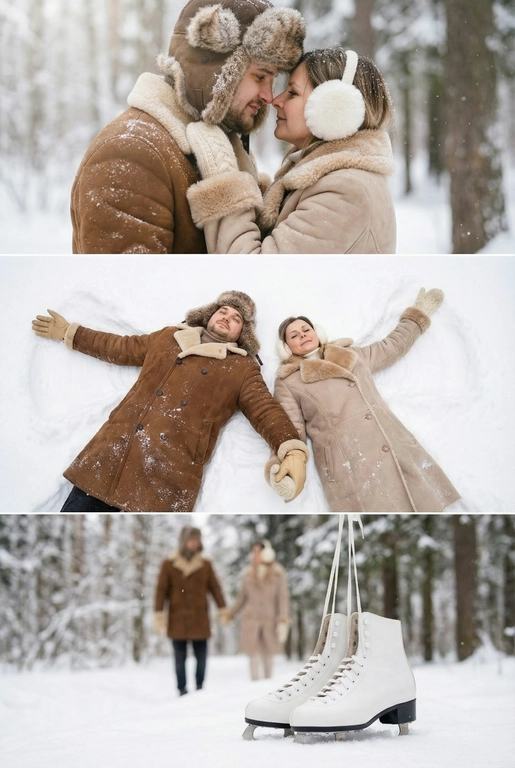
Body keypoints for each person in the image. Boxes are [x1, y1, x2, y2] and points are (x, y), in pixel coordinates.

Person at [31, 290, 308, 512]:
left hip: (166, 475)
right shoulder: (168, 338)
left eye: (236, 318)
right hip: (113, 454)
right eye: (222, 310)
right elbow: (118, 346)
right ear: (209, 315)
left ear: (242, 332)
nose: (226, 317)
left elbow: (266, 410)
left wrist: (291, 450)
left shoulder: (241, 368)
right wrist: (71, 333)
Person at [70, 0, 305, 253]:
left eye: (273, 79)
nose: (269, 96)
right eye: (260, 76)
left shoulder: (215, 149)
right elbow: (126, 289)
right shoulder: (132, 153)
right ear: (215, 71)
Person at [186, 47, 396, 253]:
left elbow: (256, 275)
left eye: (293, 92)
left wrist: (224, 176)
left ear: (333, 108)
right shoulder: (334, 179)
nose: (276, 101)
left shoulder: (346, 191)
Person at [267, 288, 461, 512]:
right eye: (293, 335)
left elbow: (391, 346)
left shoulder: (350, 355)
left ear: (316, 332)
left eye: (305, 329)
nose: (302, 335)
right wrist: (284, 468)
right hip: (348, 461)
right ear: (286, 347)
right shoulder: (289, 380)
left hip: (391, 442)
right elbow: (288, 428)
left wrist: (416, 316)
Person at [154, 526, 226, 696]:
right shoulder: (169, 564)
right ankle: (182, 690)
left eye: (197, 540)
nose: (194, 543)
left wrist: (222, 608)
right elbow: (160, 590)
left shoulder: (205, 564)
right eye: (191, 540)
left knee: (201, 658)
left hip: (199, 618)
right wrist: (159, 614)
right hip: (177, 619)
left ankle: (200, 687)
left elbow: (215, 588)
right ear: (183, 541)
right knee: (180, 659)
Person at [220, 540, 290, 680]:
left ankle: (267, 686)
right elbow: (241, 598)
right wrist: (230, 613)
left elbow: (283, 598)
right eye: (254, 552)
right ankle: (254, 688)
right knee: (253, 656)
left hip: (270, 620)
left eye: (258, 551)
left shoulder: (278, 573)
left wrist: (283, 619)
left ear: (267, 553)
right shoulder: (247, 574)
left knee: (268, 655)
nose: (255, 555)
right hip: (251, 620)